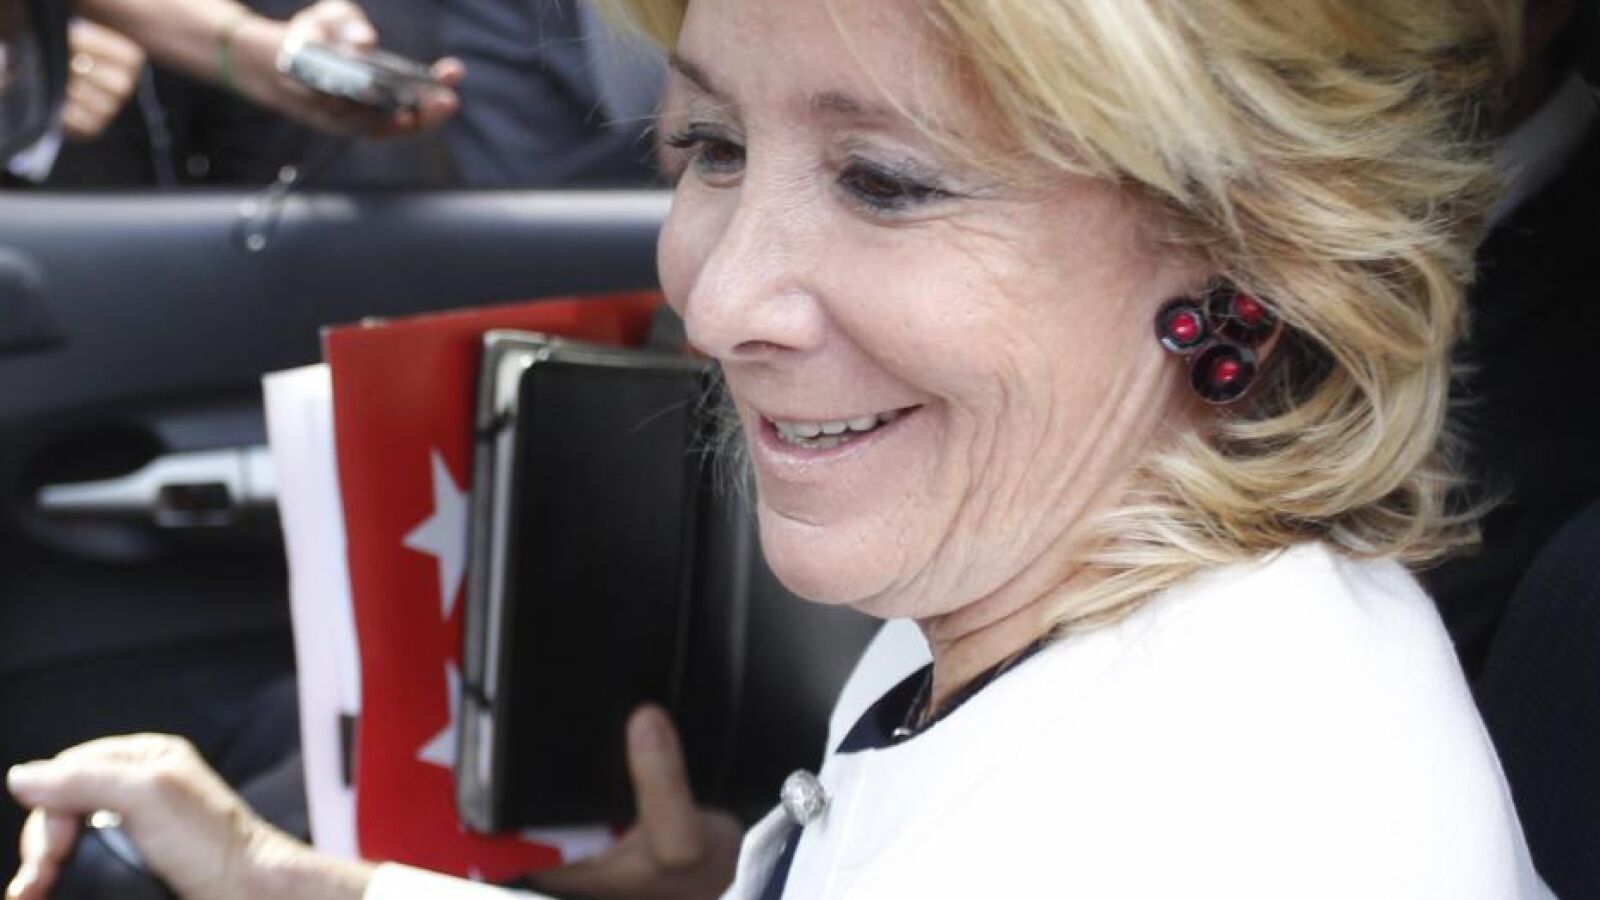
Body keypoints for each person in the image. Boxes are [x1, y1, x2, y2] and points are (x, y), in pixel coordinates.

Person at [3, 0, 1560, 898]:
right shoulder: (1101, 615)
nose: (721, 298)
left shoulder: (1173, 831)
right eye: (714, 148)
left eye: (887, 182)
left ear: (1248, 244)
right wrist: (301, 881)